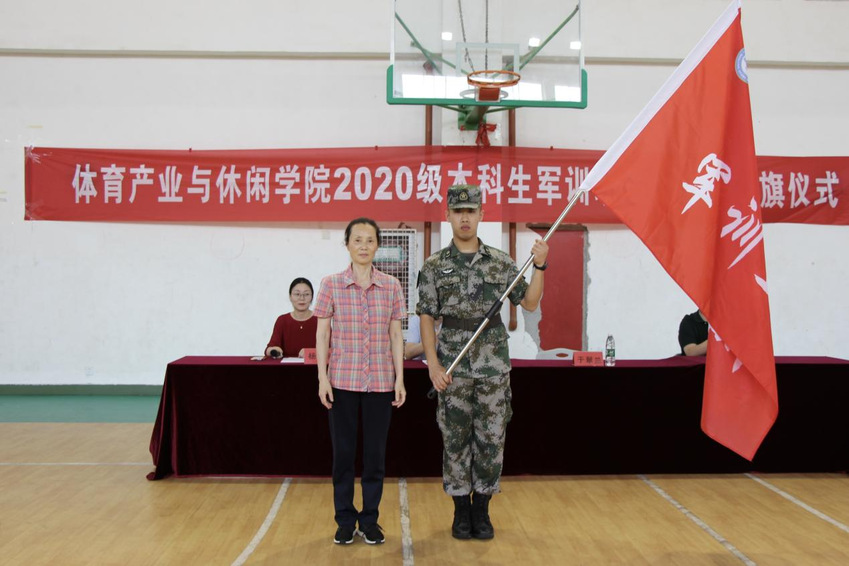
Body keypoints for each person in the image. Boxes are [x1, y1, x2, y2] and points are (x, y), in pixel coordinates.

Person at [416, 184, 549, 541]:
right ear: (447, 215)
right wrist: (433, 365)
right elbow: (426, 316)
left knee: (491, 440)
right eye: (458, 211)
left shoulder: (501, 262)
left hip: (493, 368)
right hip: (452, 368)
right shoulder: (434, 266)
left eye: (471, 211)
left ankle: (482, 510)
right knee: (455, 440)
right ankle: (461, 510)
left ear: (481, 215)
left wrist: (540, 265)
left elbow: (530, 302)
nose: (465, 218)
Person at [313, 217, 407, 546]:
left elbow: (396, 335)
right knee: (343, 455)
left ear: (377, 245)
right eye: (357, 240)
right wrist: (322, 377)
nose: (363, 246)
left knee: (374, 457)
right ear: (347, 245)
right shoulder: (331, 284)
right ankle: (344, 519)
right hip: (342, 381)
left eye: (369, 240)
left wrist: (399, 378)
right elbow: (322, 334)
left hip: (380, 382)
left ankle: (369, 520)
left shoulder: (391, 286)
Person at [265, 277, 318, 358]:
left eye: (306, 294)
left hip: (315, 366)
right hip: (287, 366)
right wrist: (274, 351)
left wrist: (310, 353)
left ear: (312, 297)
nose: (302, 298)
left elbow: (332, 351)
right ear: (290, 296)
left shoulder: (320, 320)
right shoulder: (282, 320)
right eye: (297, 294)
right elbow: (269, 349)